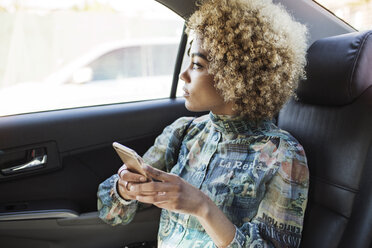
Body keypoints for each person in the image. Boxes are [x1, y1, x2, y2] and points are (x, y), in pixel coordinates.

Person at [97, 0, 309, 247]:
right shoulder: (183, 132)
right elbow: (109, 212)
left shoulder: (283, 155)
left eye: (197, 65)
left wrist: (202, 206)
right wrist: (124, 189)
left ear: (236, 75)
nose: (183, 74)